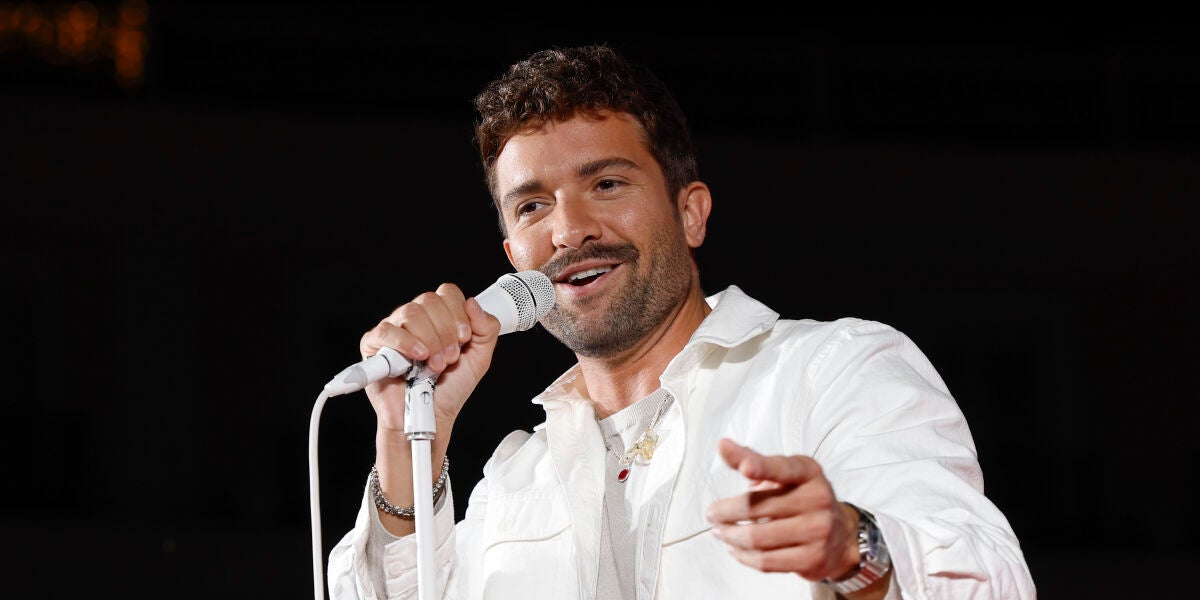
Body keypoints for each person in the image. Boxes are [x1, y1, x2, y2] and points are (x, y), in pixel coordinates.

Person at [326, 44, 1036, 599]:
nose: (568, 231)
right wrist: (405, 437)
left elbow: (992, 578)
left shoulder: (833, 371)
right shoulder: (515, 479)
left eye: (606, 184)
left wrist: (857, 549)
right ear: (514, 258)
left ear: (690, 212)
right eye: (533, 206)